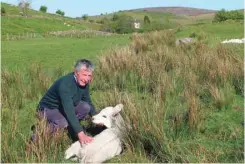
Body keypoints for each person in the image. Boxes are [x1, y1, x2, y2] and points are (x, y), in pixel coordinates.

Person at [35, 59, 98, 144]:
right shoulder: (65, 84)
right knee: (63, 123)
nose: (87, 79)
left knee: (86, 107)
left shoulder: (84, 82)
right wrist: (81, 134)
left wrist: (96, 117)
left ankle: (71, 129)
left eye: (89, 75)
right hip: (48, 109)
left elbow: (87, 101)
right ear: (76, 73)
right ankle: (37, 138)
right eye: (84, 75)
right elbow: (69, 111)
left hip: (63, 106)